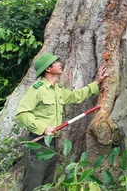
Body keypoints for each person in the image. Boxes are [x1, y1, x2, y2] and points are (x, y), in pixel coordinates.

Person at [16, 52, 108, 191]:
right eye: (56, 62)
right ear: (48, 68)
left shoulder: (57, 90)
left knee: (47, 185)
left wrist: (97, 83)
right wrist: (43, 127)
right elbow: (22, 112)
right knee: (33, 185)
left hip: (52, 144)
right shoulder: (37, 89)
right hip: (38, 144)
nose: (60, 63)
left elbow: (75, 96)